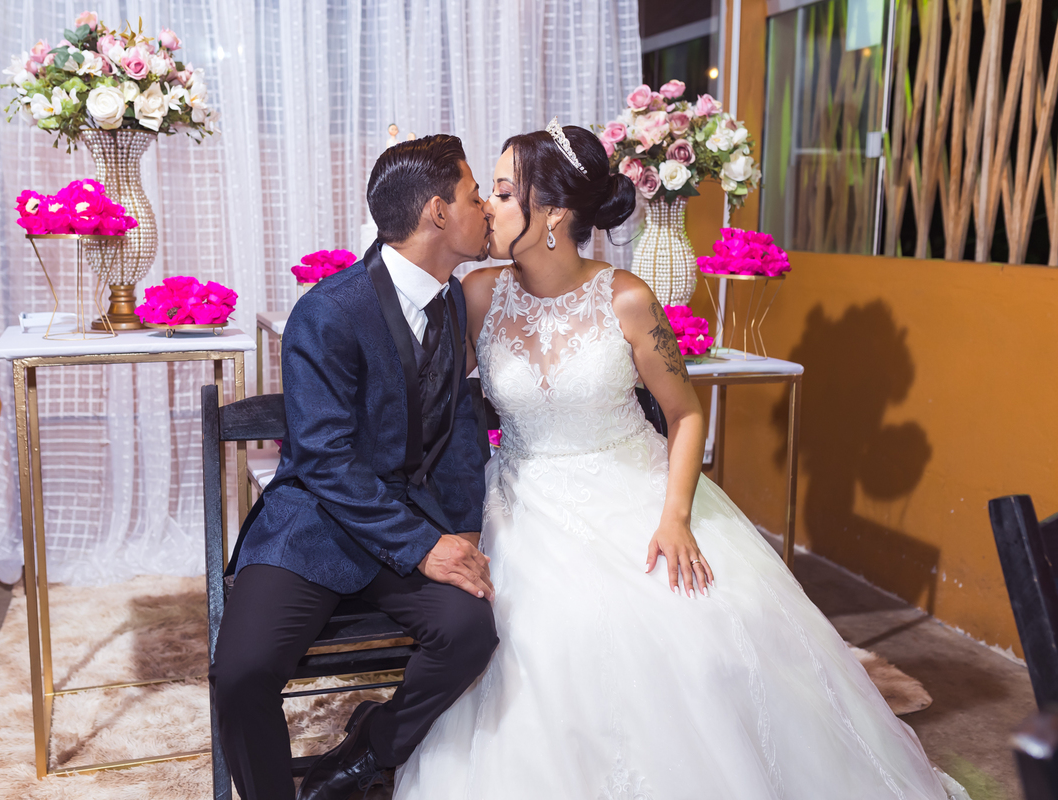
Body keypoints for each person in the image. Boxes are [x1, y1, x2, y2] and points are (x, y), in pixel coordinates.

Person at [391, 121, 971, 800]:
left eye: (501, 192)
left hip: (636, 487)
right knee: (545, 634)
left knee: (704, 629)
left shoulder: (628, 300)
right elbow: (428, 401)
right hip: (521, 497)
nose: (488, 208)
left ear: (551, 212)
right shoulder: (480, 295)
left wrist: (675, 517)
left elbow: (686, 414)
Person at [209, 134, 498, 800]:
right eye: (475, 195)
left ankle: (367, 753)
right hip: (317, 522)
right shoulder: (328, 311)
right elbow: (325, 459)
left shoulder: (453, 300)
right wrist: (424, 546)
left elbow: (458, 427)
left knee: (471, 631)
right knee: (242, 671)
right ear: (437, 212)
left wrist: (462, 528)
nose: (486, 208)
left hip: (408, 516)